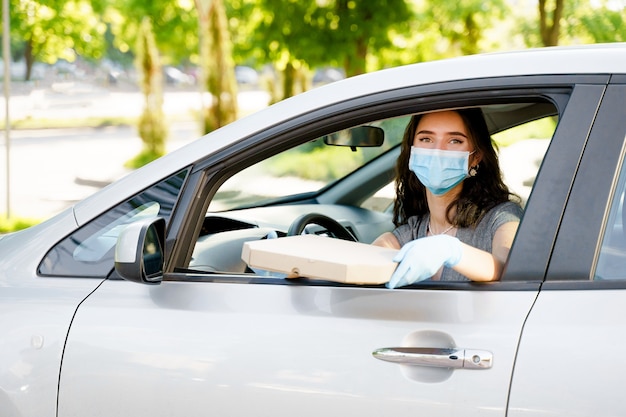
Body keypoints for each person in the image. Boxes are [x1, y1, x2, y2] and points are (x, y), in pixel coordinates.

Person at [373, 108, 523, 288]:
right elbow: (365, 262)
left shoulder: (502, 217)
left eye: (454, 140)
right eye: (426, 139)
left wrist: (451, 250)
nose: (438, 151)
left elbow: (508, 268)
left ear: (475, 157)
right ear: (412, 151)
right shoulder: (414, 230)